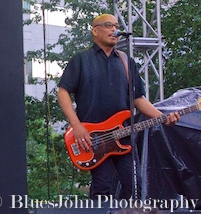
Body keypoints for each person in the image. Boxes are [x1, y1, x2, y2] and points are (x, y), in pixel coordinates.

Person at [57, 13, 179, 199]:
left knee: (135, 185)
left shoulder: (126, 62)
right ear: (95, 30)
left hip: (123, 136)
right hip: (93, 138)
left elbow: (138, 99)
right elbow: (63, 92)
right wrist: (77, 126)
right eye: (108, 25)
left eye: (116, 26)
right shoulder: (82, 59)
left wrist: (162, 117)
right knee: (102, 187)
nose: (115, 30)